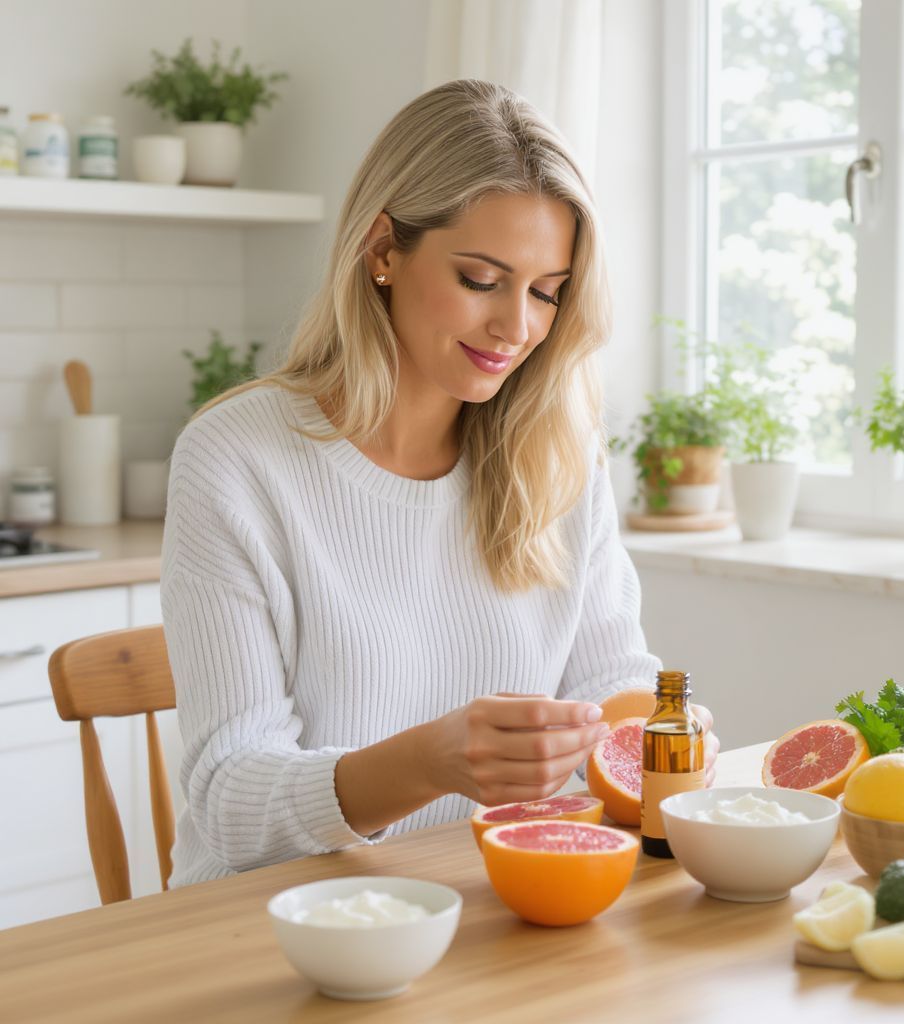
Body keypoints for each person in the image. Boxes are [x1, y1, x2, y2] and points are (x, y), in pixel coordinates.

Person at [161, 79, 719, 887]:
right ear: (383, 249)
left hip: (486, 902)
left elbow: (609, 682)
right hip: (278, 924)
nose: (517, 328)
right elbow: (230, 800)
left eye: (546, 293)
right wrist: (427, 762)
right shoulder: (237, 459)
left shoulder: (557, 450)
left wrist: (658, 732)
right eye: (481, 280)